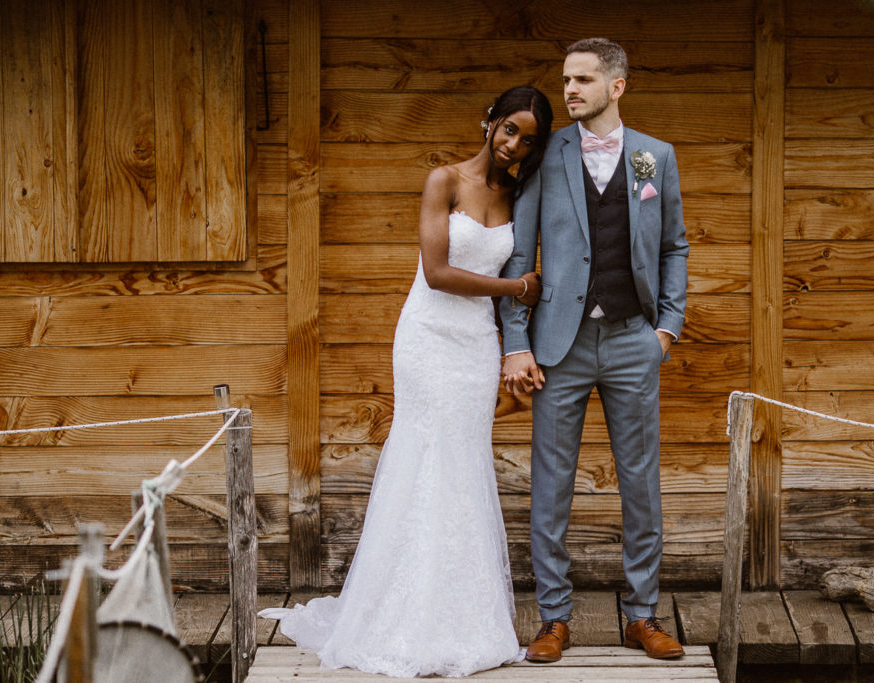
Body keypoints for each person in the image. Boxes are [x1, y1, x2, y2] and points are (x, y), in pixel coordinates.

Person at [259, 85, 554, 678]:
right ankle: (398, 616)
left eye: (528, 138)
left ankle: (463, 618)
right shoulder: (443, 180)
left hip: (476, 344)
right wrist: (518, 289)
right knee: (423, 456)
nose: (514, 144)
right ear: (489, 120)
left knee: (465, 462)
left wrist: (516, 345)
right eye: (509, 128)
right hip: (428, 336)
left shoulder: (518, 194)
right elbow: (440, 273)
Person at [499, 38, 689, 662]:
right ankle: (554, 618)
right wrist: (517, 343)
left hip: (635, 340)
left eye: (582, 80)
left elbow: (673, 248)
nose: (570, 91)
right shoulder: (545, 155)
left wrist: (666, 328)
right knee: (551, 485)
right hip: (561, 345)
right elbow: (521, 258)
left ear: (617, 86)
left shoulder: (653, 158)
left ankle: (642, 615)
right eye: (566, 80)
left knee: (641, 483)